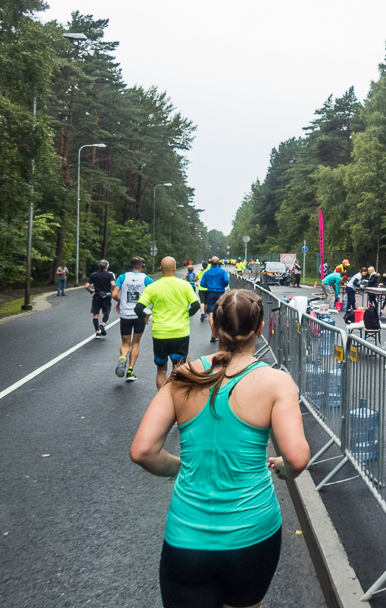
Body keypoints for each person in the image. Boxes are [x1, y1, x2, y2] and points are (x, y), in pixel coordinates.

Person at [130, 289, 310, 608]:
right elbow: (296, 459)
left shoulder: (183, 377)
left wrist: (178, 468)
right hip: (253, 534)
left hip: (187, 537)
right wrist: (282, 467)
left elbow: (143, 451)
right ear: (261, 329)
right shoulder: (276, 382)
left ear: (213, 327)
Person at [136, 257, 201, 390]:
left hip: (160, 334)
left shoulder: (152, 287)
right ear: (175, 267)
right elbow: (196, 305)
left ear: (160, 268)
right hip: (180, 333)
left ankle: (162, 398)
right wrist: (186, 315)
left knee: (161, 370)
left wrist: (144, 317)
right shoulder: (185, 285)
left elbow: (138, 308)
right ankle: (176, 400)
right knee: (179, 369)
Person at [112, 256, 153, 382]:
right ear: (142, 266)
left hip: (125, 314)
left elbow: (114, 294)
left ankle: (124, 355)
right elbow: (155, 294)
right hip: (139, 314)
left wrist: (120, 302)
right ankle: (130, 371)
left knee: (125, 343)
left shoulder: (123, 277)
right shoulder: (147, 279)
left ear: (132, 265)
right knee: (136, 343)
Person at [199, 257, 230, 344]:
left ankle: (214, 333)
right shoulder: (222, 271)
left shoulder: (207, 272)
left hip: (210, 293)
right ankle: (222, 331)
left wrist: (209, 286)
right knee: (221, 311)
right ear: (218, 263)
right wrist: (223, 285)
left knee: (211, 313)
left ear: (211, 263)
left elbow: (202, 284)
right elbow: (226, 280)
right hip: (220, 293)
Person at [85, 259, 117, 340]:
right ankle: (103, 324)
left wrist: (91, 291)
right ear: (107, 267)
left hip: (97, 296)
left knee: (95, 314)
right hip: (106, 296)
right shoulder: (110, 275)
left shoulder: (94, 275)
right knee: (106, 313)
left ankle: (97, 333)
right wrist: (113, 291)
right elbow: (113, 284)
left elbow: (86, 286)